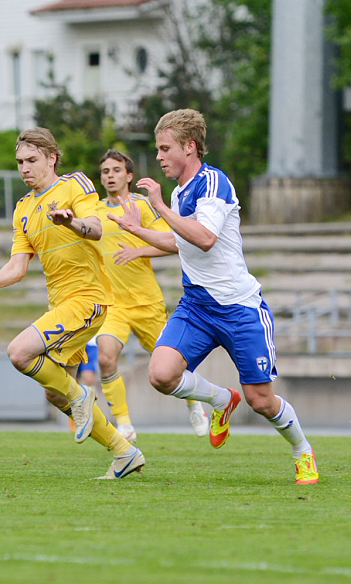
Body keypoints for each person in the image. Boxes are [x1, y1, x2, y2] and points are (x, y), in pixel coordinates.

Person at [109, 109, 318, 485]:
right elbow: (179, 241)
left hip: (239, 308)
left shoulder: (213, 183)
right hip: (197, 306)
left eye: (164, 148)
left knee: (261, 401)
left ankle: (302, 450)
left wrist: (157, 208)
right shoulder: (179, 192)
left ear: (189, 147)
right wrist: (138, 231)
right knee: (161, 374)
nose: (158, 157)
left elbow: (204, 238)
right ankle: (222, 400)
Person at [0, 127, 145, 480]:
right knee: (56, 396)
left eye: (32, 160)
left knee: (19, 353)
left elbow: (96, 228)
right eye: (20, 162)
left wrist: (73, 223)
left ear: (51, 158)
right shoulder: (23, 209)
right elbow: (18, 266)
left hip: (89, 299)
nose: (24, 168)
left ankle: (82, 397)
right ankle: (123, 452)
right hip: (62, 306)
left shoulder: (74, 185)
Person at [93, 149, 209, 443]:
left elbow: (173, 243)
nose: (110, 176)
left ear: (129, 176)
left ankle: (194, 404)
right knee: (106, 359)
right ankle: (124, 424)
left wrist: (139, 250)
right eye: (105, 171)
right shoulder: (93, 212)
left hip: (146, 302)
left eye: (116, 170)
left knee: (172, 365)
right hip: (113, 304)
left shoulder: (142, 207)